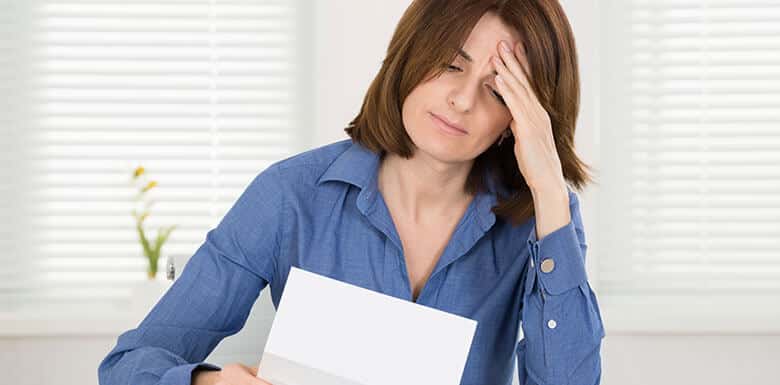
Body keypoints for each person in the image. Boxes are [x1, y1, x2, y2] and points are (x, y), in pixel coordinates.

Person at [98, 0, 605, 384]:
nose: (462, 99)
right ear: (410, 57)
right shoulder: (290, 195)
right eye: (451, 65)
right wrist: (208, 382)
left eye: (499, 90)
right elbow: (127, 366)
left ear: (521, 118)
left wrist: (549, 189)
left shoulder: (542, 218)